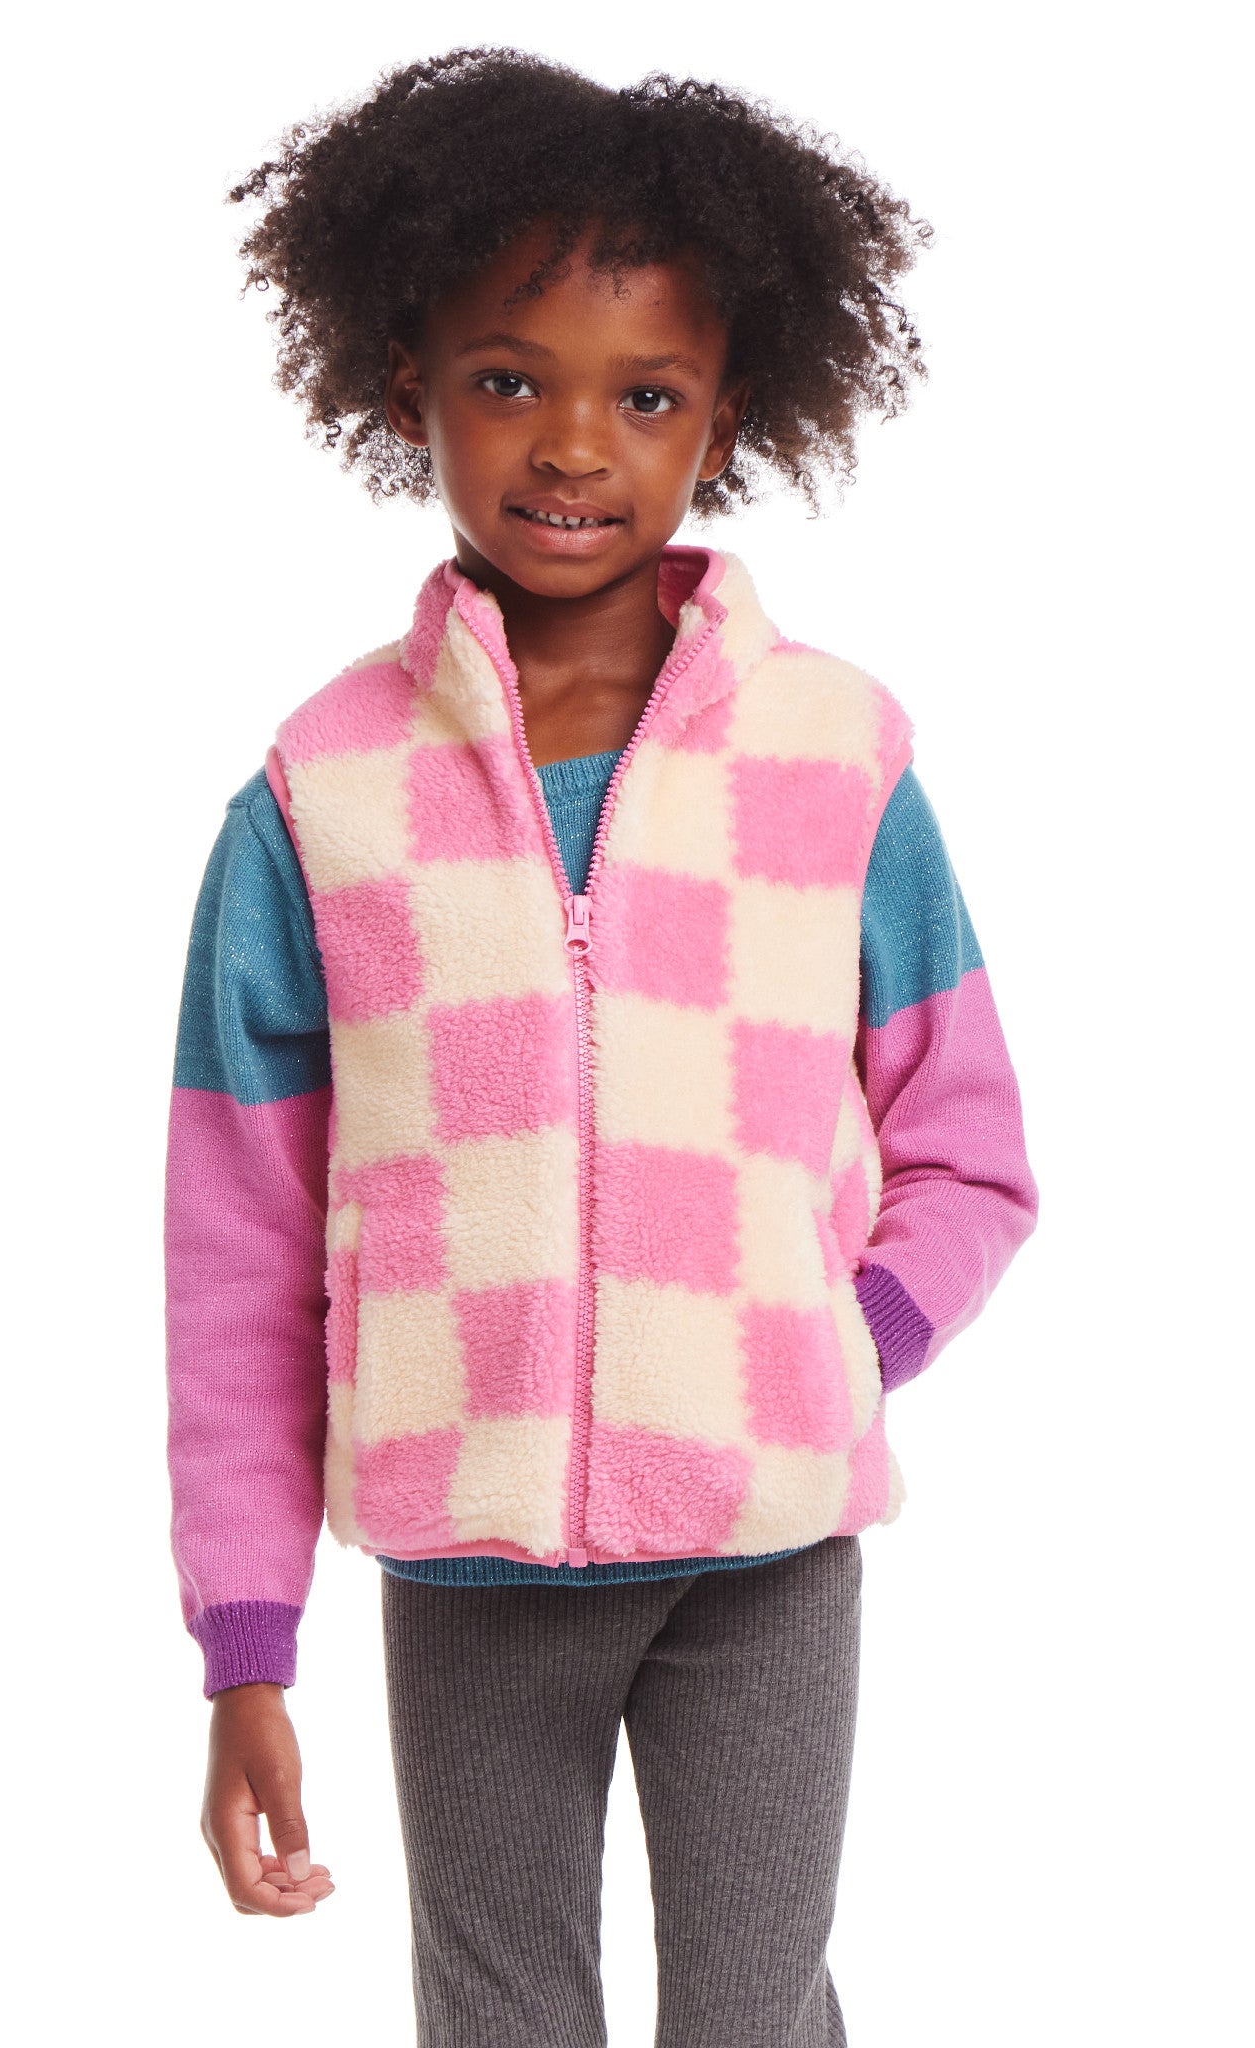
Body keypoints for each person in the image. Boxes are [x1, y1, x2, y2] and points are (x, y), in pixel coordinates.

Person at [165, 46, 1039, 2047]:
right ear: (406, 382)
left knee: (752, 2013)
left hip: (767, 1556)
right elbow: (234, 1249)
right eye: (510, 378)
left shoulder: (835, 760)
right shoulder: (318, 798)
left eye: (646, 395)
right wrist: (243, 1641)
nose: (574, 445)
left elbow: (974, 1150)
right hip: (467, 1564)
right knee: (498, 2020)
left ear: (729, 414)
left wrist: (829, 1349)